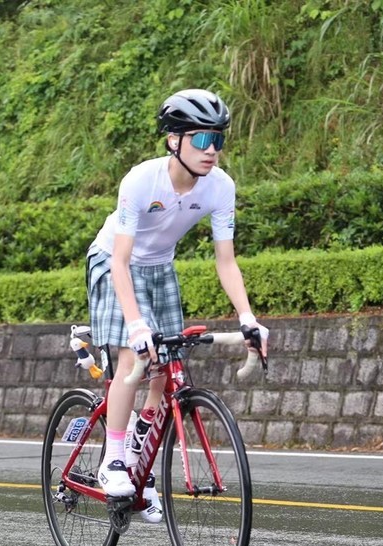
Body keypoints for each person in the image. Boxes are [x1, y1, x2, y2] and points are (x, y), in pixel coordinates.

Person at [85, 88, 269, 523]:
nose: (212, 151)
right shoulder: (140, 181)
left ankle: (140, 456)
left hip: (161, 268)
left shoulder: (221, 187)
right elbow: (121, 260)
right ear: (174, 141)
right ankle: (112, 460)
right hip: (114, 262)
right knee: (136, 356)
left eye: (219, 140)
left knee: (165, 368)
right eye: (202, 140)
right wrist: (135, 324)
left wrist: (248, 318)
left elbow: (226, 260)